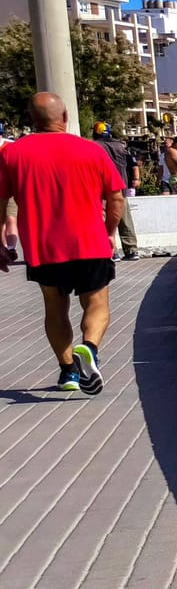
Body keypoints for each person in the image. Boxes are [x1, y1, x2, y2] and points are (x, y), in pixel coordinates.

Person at [0, 93, 126, 394]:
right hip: (90, 243)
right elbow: (116, 197)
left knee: (55, 308)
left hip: (43, 248)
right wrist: (109, 230)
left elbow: (1, 201)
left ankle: (68, 372)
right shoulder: (92, 151)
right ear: (65, 117)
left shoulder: (11, 154)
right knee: (96, 304)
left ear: (31, 119)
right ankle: (90, 350)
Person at [93, 124, 139, 261]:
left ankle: (111, 252)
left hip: (102, 191)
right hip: (121, 189)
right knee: (125, 221)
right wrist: (135, 179)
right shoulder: (121, 146)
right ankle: (131, 250)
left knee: (105, 221)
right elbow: (134, 164)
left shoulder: (94, 147)